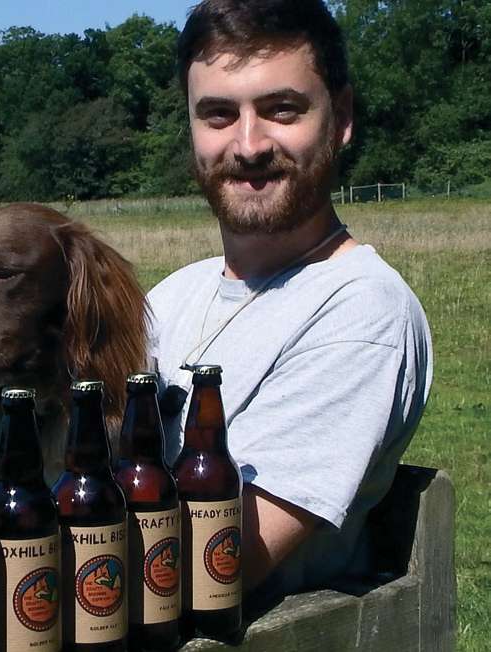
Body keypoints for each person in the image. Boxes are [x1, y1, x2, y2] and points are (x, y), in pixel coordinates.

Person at [147, 0, 432, 598]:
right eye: (218, 114)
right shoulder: (172, 296)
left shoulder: (360, 311)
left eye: (281, 109)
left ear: (342, 118)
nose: (249, 145)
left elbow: (214, 569)